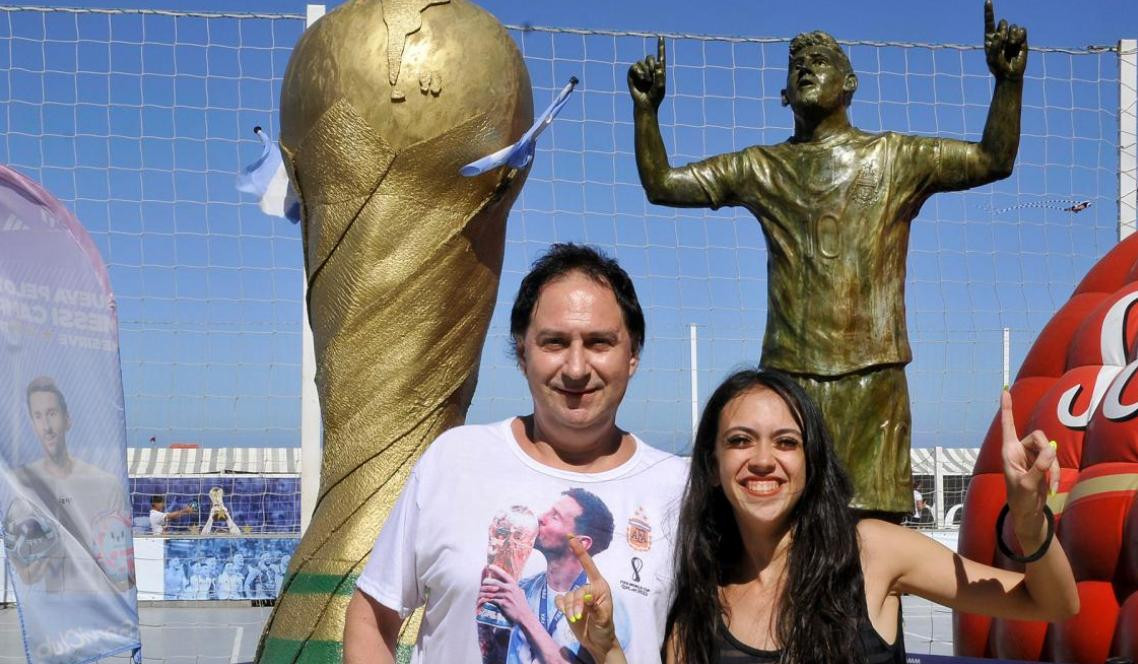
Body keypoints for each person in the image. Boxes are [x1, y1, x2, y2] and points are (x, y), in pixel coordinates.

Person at [628, 1, 1027, 516]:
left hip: (874, 375)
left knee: (874, 533)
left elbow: (993, 159)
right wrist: (646, 112)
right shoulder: (761, 167)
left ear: (851, 82)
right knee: (787, 530)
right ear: (783, 95)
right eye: (797, 65)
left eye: (821, 60)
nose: (807, 67)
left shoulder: (895, 158)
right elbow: (663, 185)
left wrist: (1007, 84)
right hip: (791, 375)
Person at [563, 368, 1078, 663]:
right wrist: (606, 648)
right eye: (740, 441)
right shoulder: (700, 595)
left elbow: (1052, 604)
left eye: (786, 442)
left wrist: (1030, 519)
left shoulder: (874, 551)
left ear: (811, 464)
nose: (763, 459)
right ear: (713, 467)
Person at [344, 243, 689, 664]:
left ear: (632, 354)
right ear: (523, 353)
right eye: (554, 342)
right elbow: (372, 615)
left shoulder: (677, 488)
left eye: (599, 342)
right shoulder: (454, 460)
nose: (577, 368)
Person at [3, 376, 134, 592]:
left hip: (103, 607)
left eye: (52, 414)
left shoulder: (106, 485)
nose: (47, 427)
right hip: (56, 613)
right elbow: (26, 576)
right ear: (33, 424)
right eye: (38, 416)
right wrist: (46, 550)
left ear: (67, 419)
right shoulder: (22, 486)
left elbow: (124, 578)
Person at [478, 488, 631, 664]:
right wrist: (485, 625)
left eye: (555, 516)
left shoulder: (605, 607)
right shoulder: (521, 590)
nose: (541, 517)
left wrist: (524, 615)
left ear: (581, 543)